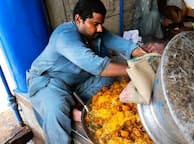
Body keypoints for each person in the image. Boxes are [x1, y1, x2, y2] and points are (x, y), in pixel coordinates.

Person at [26, 0, 147, 143]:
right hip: (49, 83)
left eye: (101, 23)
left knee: (109, 79)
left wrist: (149, 58)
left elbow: (125, 45)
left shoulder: (94, 32)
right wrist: (136, 70)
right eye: (95, 24)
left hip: (75, 82)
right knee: (56, 108)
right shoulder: (64, 36)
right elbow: (97, 66)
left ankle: (73, 110)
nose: (100, 29)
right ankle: (67, 115)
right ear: (78, 19)